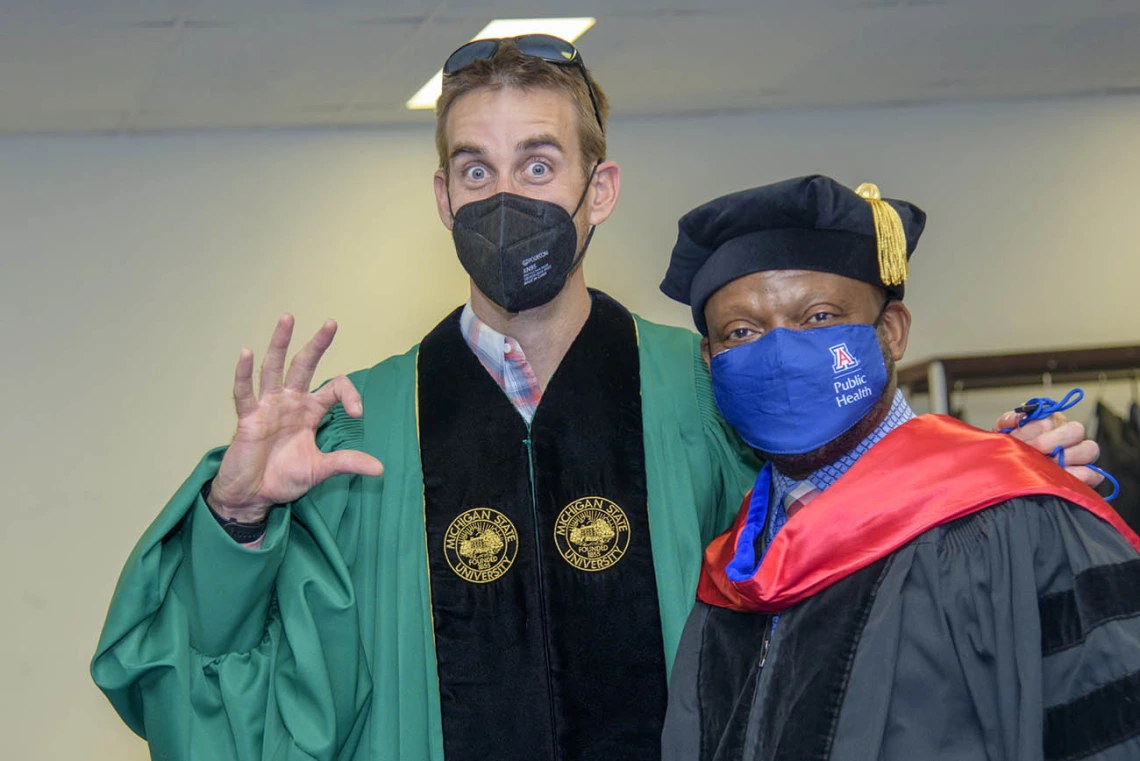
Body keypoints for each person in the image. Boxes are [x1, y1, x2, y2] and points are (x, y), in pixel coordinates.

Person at [91, 39, 1101, 761]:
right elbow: (215, 689)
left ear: (598, 187)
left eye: (538, 162)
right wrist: (240, 515)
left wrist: (1001, 470)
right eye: (474, 169)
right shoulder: (355, 429)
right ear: (442, 197)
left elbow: (862, 545)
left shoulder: (710, 384)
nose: (504, 197)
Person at [657, 175, 1140, 761]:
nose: (780, 354)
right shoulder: (733, 573)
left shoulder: (1013, 518)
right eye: (741, 332)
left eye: (818, 317)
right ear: (711, 364)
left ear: (891, 330)